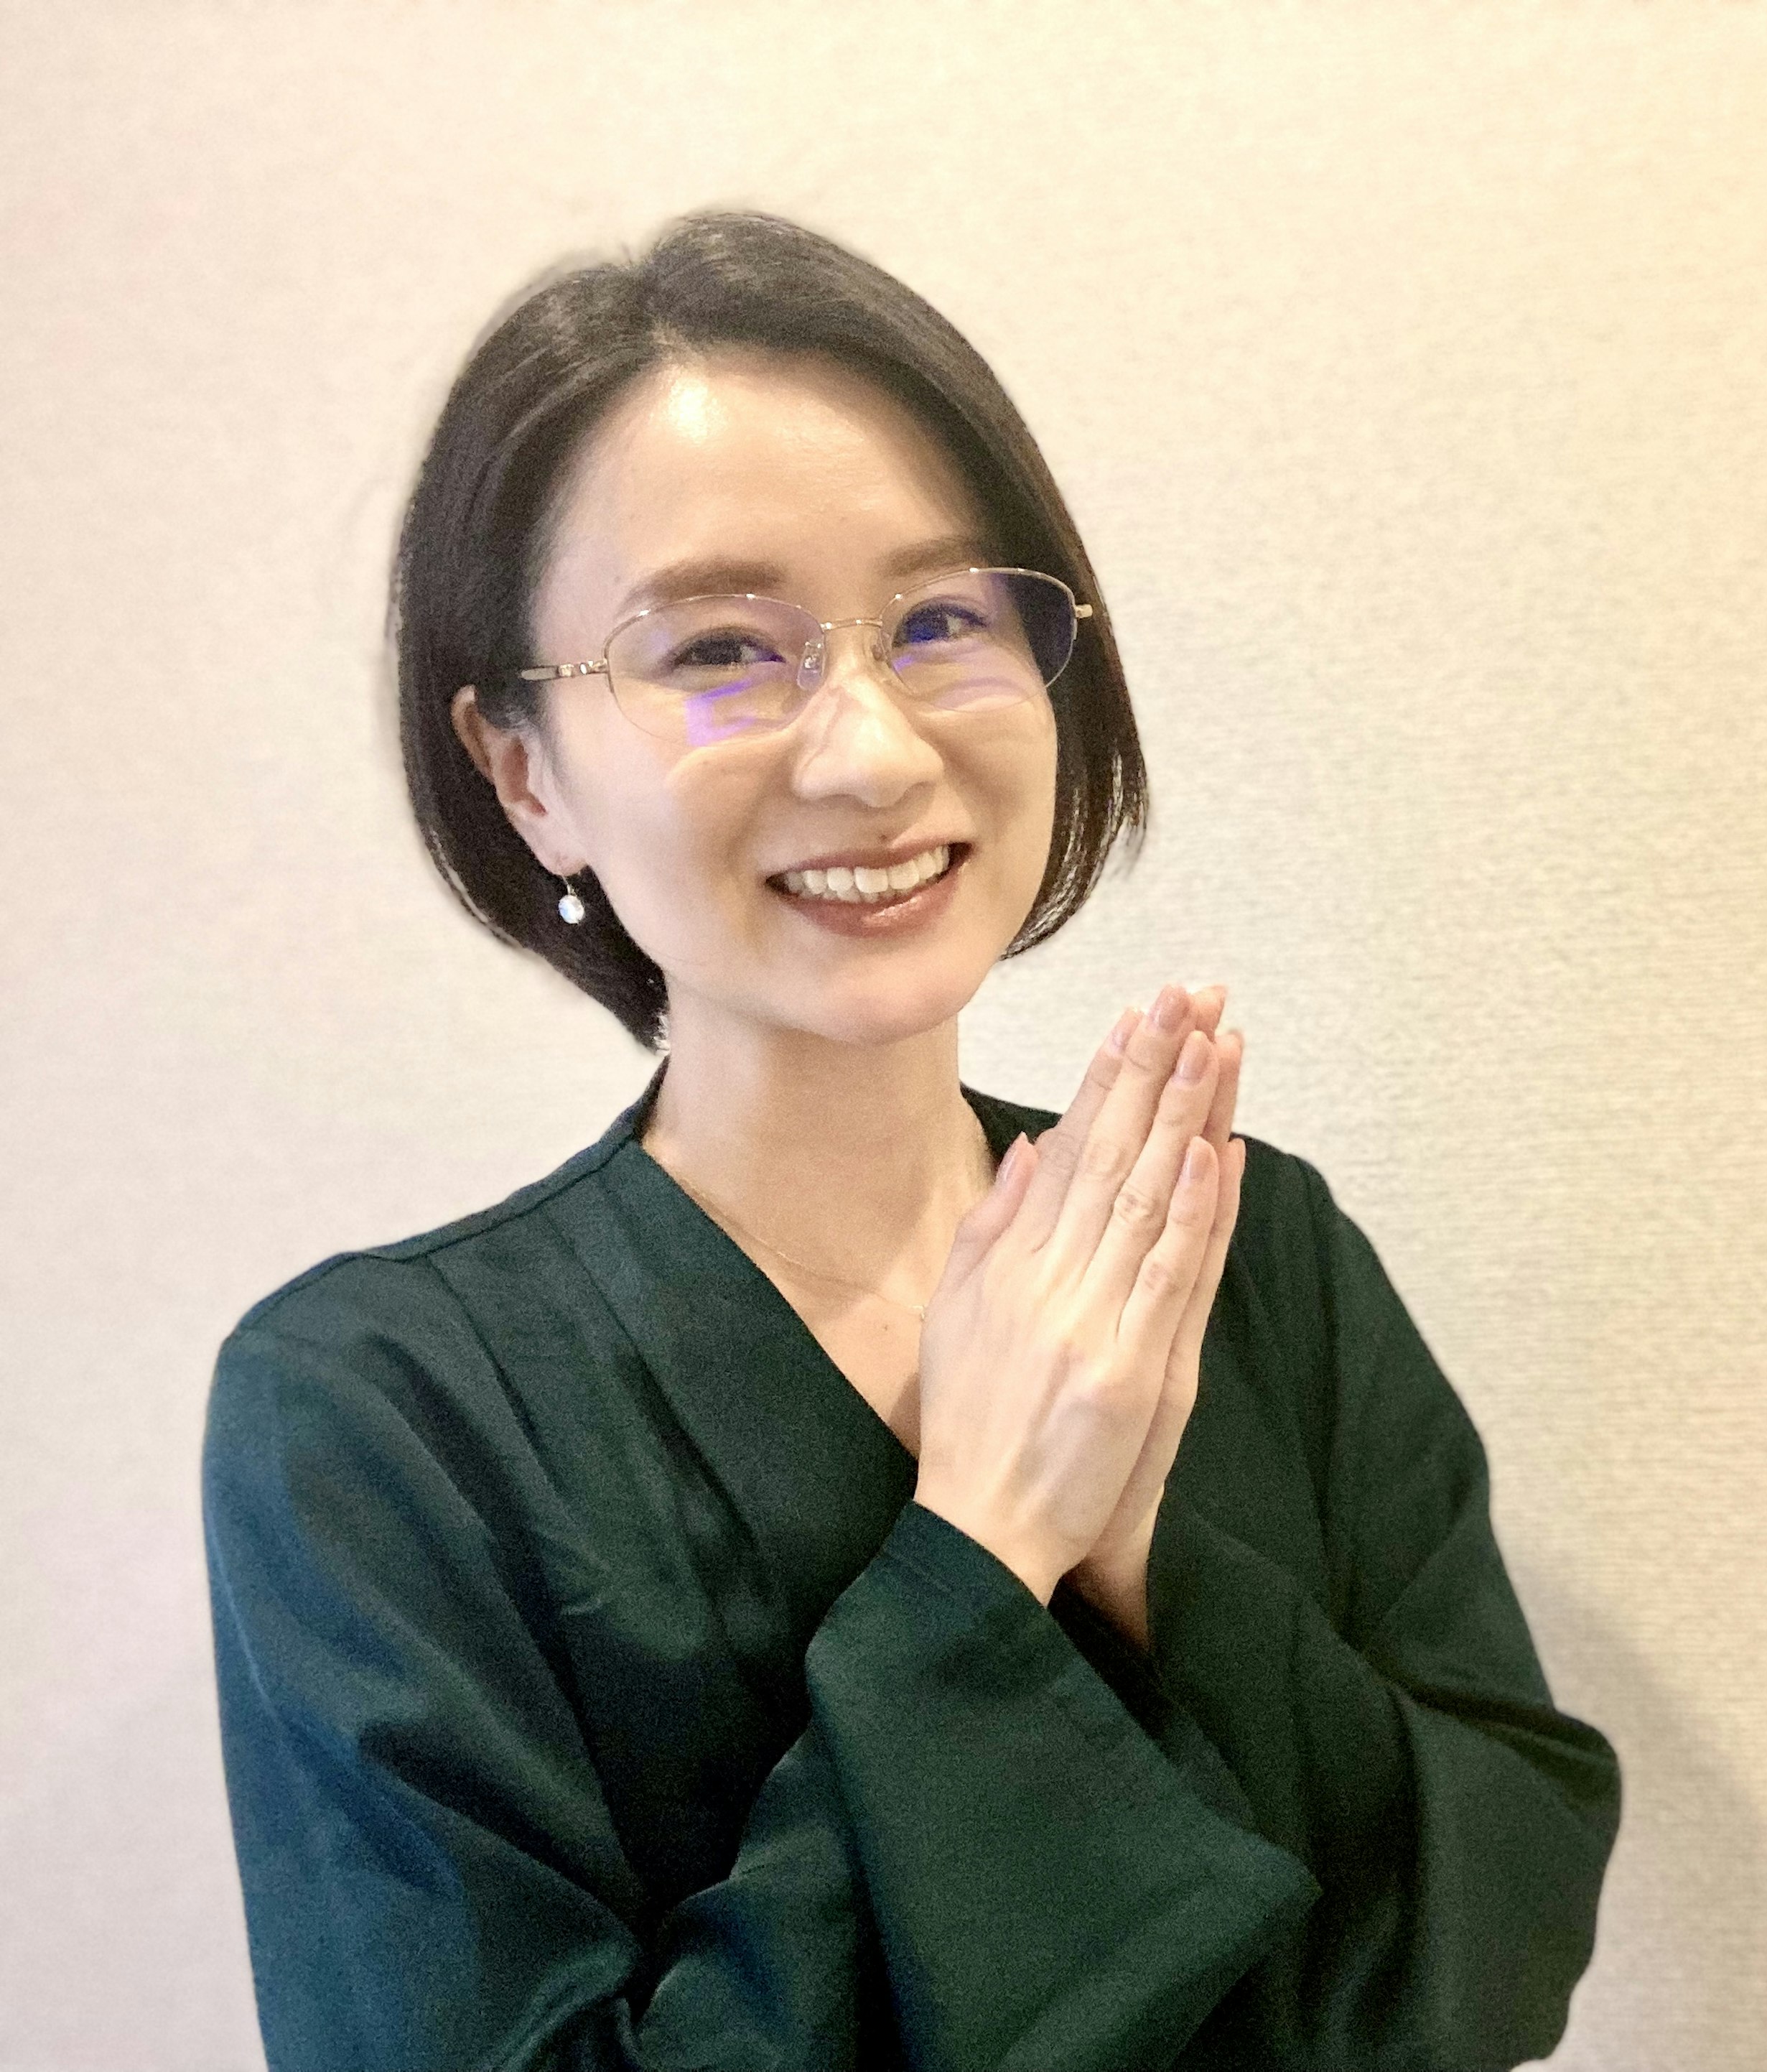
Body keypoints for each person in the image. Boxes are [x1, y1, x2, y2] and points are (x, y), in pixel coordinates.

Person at [200, 211, 1620, 2071]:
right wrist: (985, 1546)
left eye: (944, 619)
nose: (870, 751)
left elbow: (1492, 1944)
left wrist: (1150, 1565)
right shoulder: (378, 1414)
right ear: (524, 770)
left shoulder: (1256, 1251)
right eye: (720, 646)